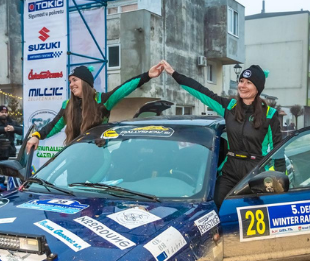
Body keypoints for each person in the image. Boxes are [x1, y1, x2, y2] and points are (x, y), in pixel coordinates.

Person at [161, 60, 284, 202]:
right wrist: (174, 74)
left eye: (248, 83)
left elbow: (278, 150)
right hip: (230, 170)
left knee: (248, 214)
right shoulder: (230, 107)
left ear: (258, 88)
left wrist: (280, 181)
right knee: (216, 205)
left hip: (255, 172)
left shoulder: (269, 114)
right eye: (241, 81)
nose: (242, 86)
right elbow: (201, 92)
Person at [25, 63, 161, 153]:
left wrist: (147, 75)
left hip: (97, 158)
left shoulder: (103, 101)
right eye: (70, 81)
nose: (71, 84)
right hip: (74, 157)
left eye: (75, 80)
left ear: (85, 83)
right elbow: (54, 126)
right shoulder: (67, 105)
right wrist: (37, 136)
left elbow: (125, 88)